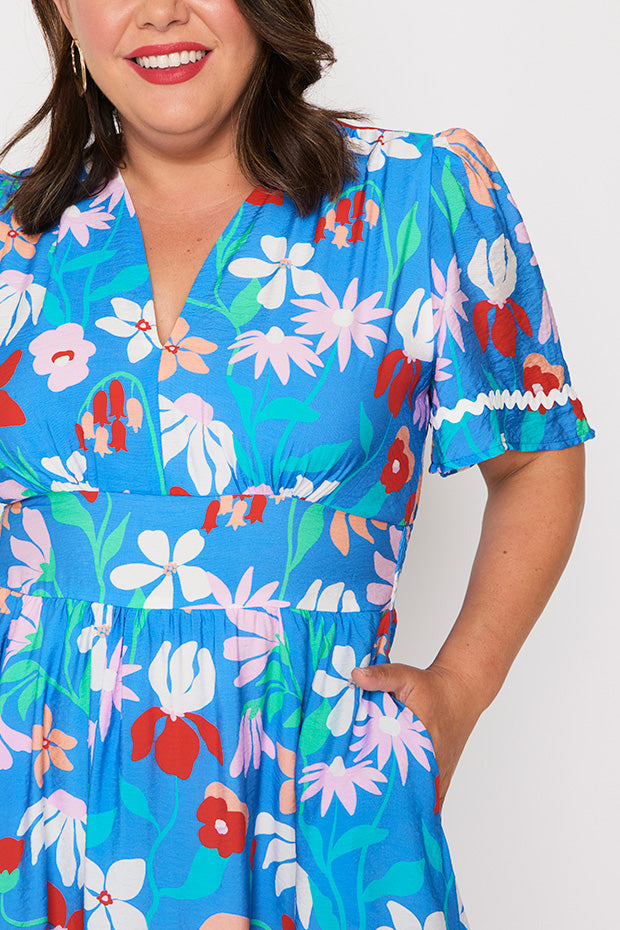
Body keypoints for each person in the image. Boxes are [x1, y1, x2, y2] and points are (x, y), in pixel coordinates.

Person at [0, 1, 594, 928]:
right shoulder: (11, 234)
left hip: (318, 791)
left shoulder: (418, 198)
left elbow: (537, 457)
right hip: (38, 790)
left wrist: (459, 691)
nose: (160, 12)